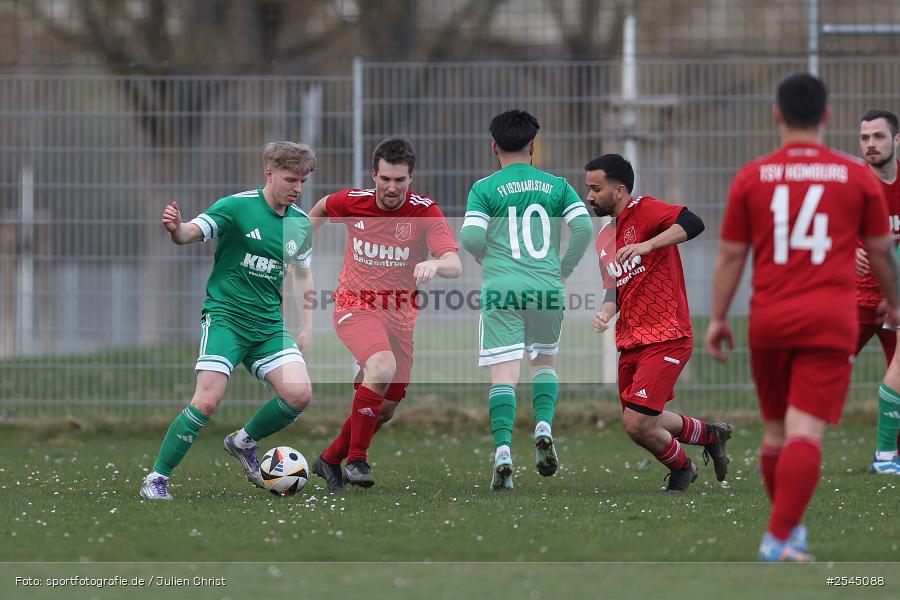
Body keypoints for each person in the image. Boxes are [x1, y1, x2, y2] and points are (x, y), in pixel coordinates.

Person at [705, 73, 900, 561]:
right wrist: (895, 302)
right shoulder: (855, 177)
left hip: (768, 318)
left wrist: (719, 317)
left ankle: (789, 536)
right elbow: (880, 253)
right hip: (828, 318)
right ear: (827, 118)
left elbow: (730, 257)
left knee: (775, 432)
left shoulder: (752, 176)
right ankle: (779, 536)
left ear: (777, 115)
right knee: (805, 433)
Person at [139, 142, 318, 500]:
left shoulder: (300, 223)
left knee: (299, 394)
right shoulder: (236, 207)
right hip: (226, 318)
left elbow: (302, 275)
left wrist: (308, 325)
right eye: (290, 179)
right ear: (269, 174)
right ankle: (156, 478)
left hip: (268, 325)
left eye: (302, 180)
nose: (298, 188)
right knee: (207, 400)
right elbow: (190, 233)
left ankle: (243, 441)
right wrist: (176, 229)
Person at [307, 138, 461, 492]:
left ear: (411, 179)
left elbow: (454, 263)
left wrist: (435, 263)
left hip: (401, 318)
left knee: (386, 408)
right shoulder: (352, 201)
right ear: (373, 175)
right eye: (386, 179)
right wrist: (297, 241)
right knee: (380, 366)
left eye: (400, 180)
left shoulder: (424, 213)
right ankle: (357, 460)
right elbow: (321, 208)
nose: (392, 188)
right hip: (354, 306)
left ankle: (329, 459)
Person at [459, 109, 592, 491]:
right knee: (544, 363)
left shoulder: (484, 188)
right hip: (546, 287)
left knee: (503, 373)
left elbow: (469, 238)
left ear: (494, 147)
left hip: (502, 288)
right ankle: (544, 426)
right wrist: (561, 269)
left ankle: (503, 451)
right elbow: (582, 227)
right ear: (533, 146)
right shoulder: (558, 186)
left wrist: (488, 256)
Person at [588, 153, 732, 494]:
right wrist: (607, 311)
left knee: (637, 422)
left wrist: (649, 243)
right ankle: (711, 435)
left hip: (667, 334)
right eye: (588, 189)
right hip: (631, 339)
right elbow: (615, 286)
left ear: (620, 190)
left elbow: (694, 222)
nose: (589, 196)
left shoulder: (646, 210)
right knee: (642, 420)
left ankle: (683, 468)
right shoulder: (603, 239)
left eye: (596, 188)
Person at [856, 109, 900, 475]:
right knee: (818, 375)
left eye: (879, 137)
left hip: (896, 302)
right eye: (865, 138)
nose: (871, 144)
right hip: (851, 301)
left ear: (896, 140)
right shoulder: (852, 184)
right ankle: (786, 451)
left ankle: (888, 455)